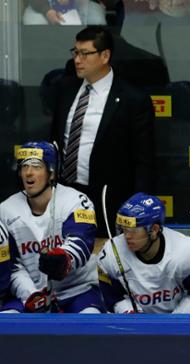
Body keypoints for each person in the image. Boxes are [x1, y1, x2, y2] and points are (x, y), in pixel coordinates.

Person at [50, 25, 155, 237]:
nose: (77, 60)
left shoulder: (132, 99)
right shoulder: (66, 89)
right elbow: (55, 139)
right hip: (64, 195)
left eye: (85, 54)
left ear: (105, 55)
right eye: (75, 52)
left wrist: (138, 208)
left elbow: (144, 160)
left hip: (107, 198)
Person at [0, 141, 104, 313]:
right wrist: (30, 294)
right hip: (30, 293)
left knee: (90, 318)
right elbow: (11, 266)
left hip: (76, 291)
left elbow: (82, 240)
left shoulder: (76, 201)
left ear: (52, 173)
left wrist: (65, 258)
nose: (28, 172)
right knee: (7, 319)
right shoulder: (6, 210)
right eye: (24, 166)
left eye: (36, 166)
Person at [97, 193, 190, 313]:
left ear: (154, 230)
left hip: (179, 325)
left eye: (133, 230)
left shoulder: (186, 251)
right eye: (124, 229)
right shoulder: (110, 253)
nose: (127, 236)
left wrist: (176, 322)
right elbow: (112, 298)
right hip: (134, 327)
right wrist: (128, 312)